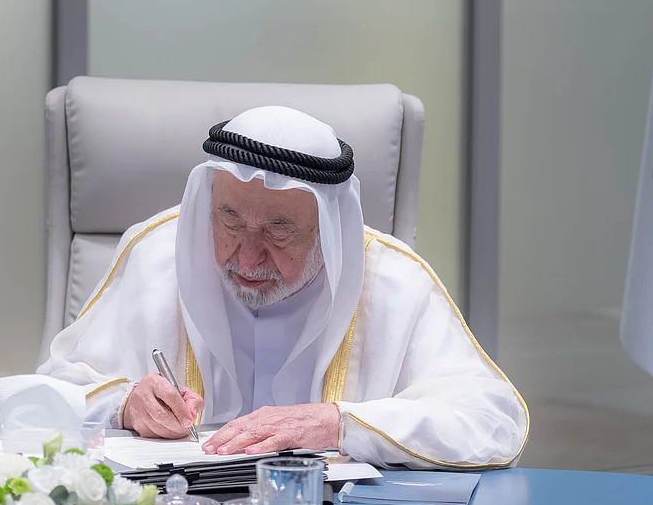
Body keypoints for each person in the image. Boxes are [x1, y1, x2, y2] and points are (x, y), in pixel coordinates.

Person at [38, 106, 529, 469]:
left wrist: (340, 424)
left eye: (279, 232)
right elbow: (47, 394)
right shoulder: (156, 255)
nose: (247, 257)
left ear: (330, 230)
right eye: (230, 221)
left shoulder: (395, 284)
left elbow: (493, 423)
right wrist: (125, 404)